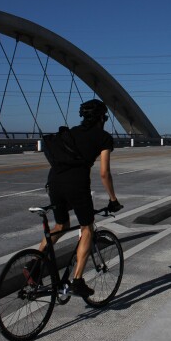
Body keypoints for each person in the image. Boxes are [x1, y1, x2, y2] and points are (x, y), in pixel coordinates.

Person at [35, 99, 121, 297]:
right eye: (105, 117)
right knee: (87, 228)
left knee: (60, 226)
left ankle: (34, 265)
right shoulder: (104, 138)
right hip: (77, 186)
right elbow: (104, 173)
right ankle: (77, 281)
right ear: (101, 118)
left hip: (54, 183)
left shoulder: (71, 132)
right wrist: (113, 199)